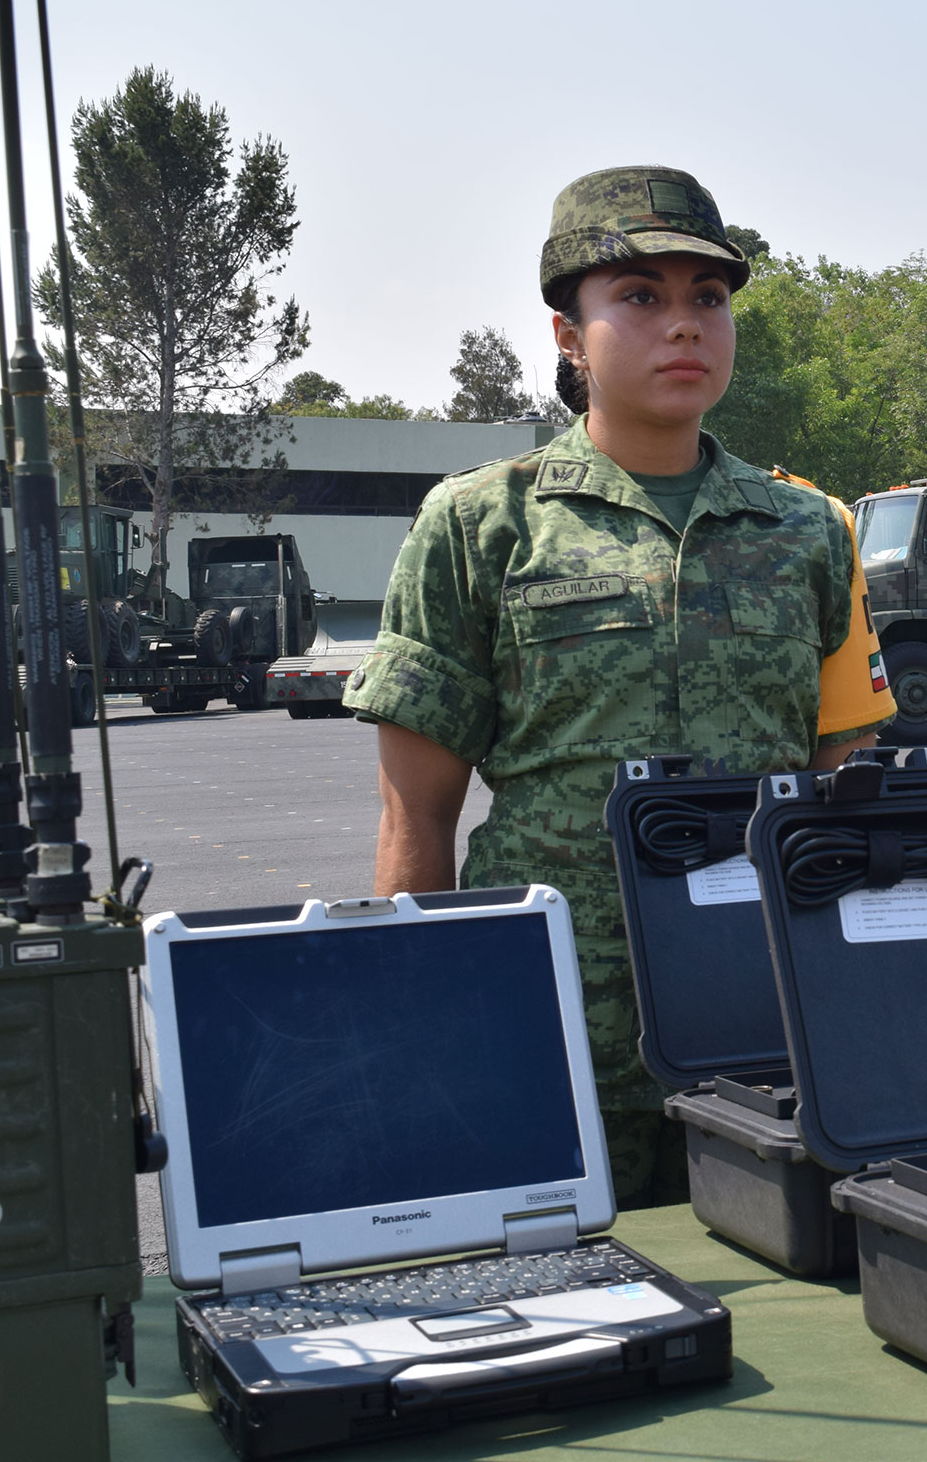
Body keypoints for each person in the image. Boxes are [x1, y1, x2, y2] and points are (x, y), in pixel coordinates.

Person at [344, 167, 895, 1205]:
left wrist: (869, 1015)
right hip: (546, 1030)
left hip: (768, 1034)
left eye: (708, 297)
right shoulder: (480, 525)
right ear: (567, 334)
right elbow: (416, 811)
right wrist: (417, 1026)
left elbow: (849, 796)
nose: (682, 325)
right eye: (639, 296)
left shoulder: (810, 531)